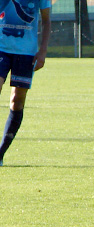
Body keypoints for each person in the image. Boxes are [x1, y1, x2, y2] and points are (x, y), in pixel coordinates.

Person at [0, 0, 51, 166]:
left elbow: (46, 20)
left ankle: (1, 152)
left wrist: (42, 51)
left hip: (26, 52)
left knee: (17, 100)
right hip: (2, 47)